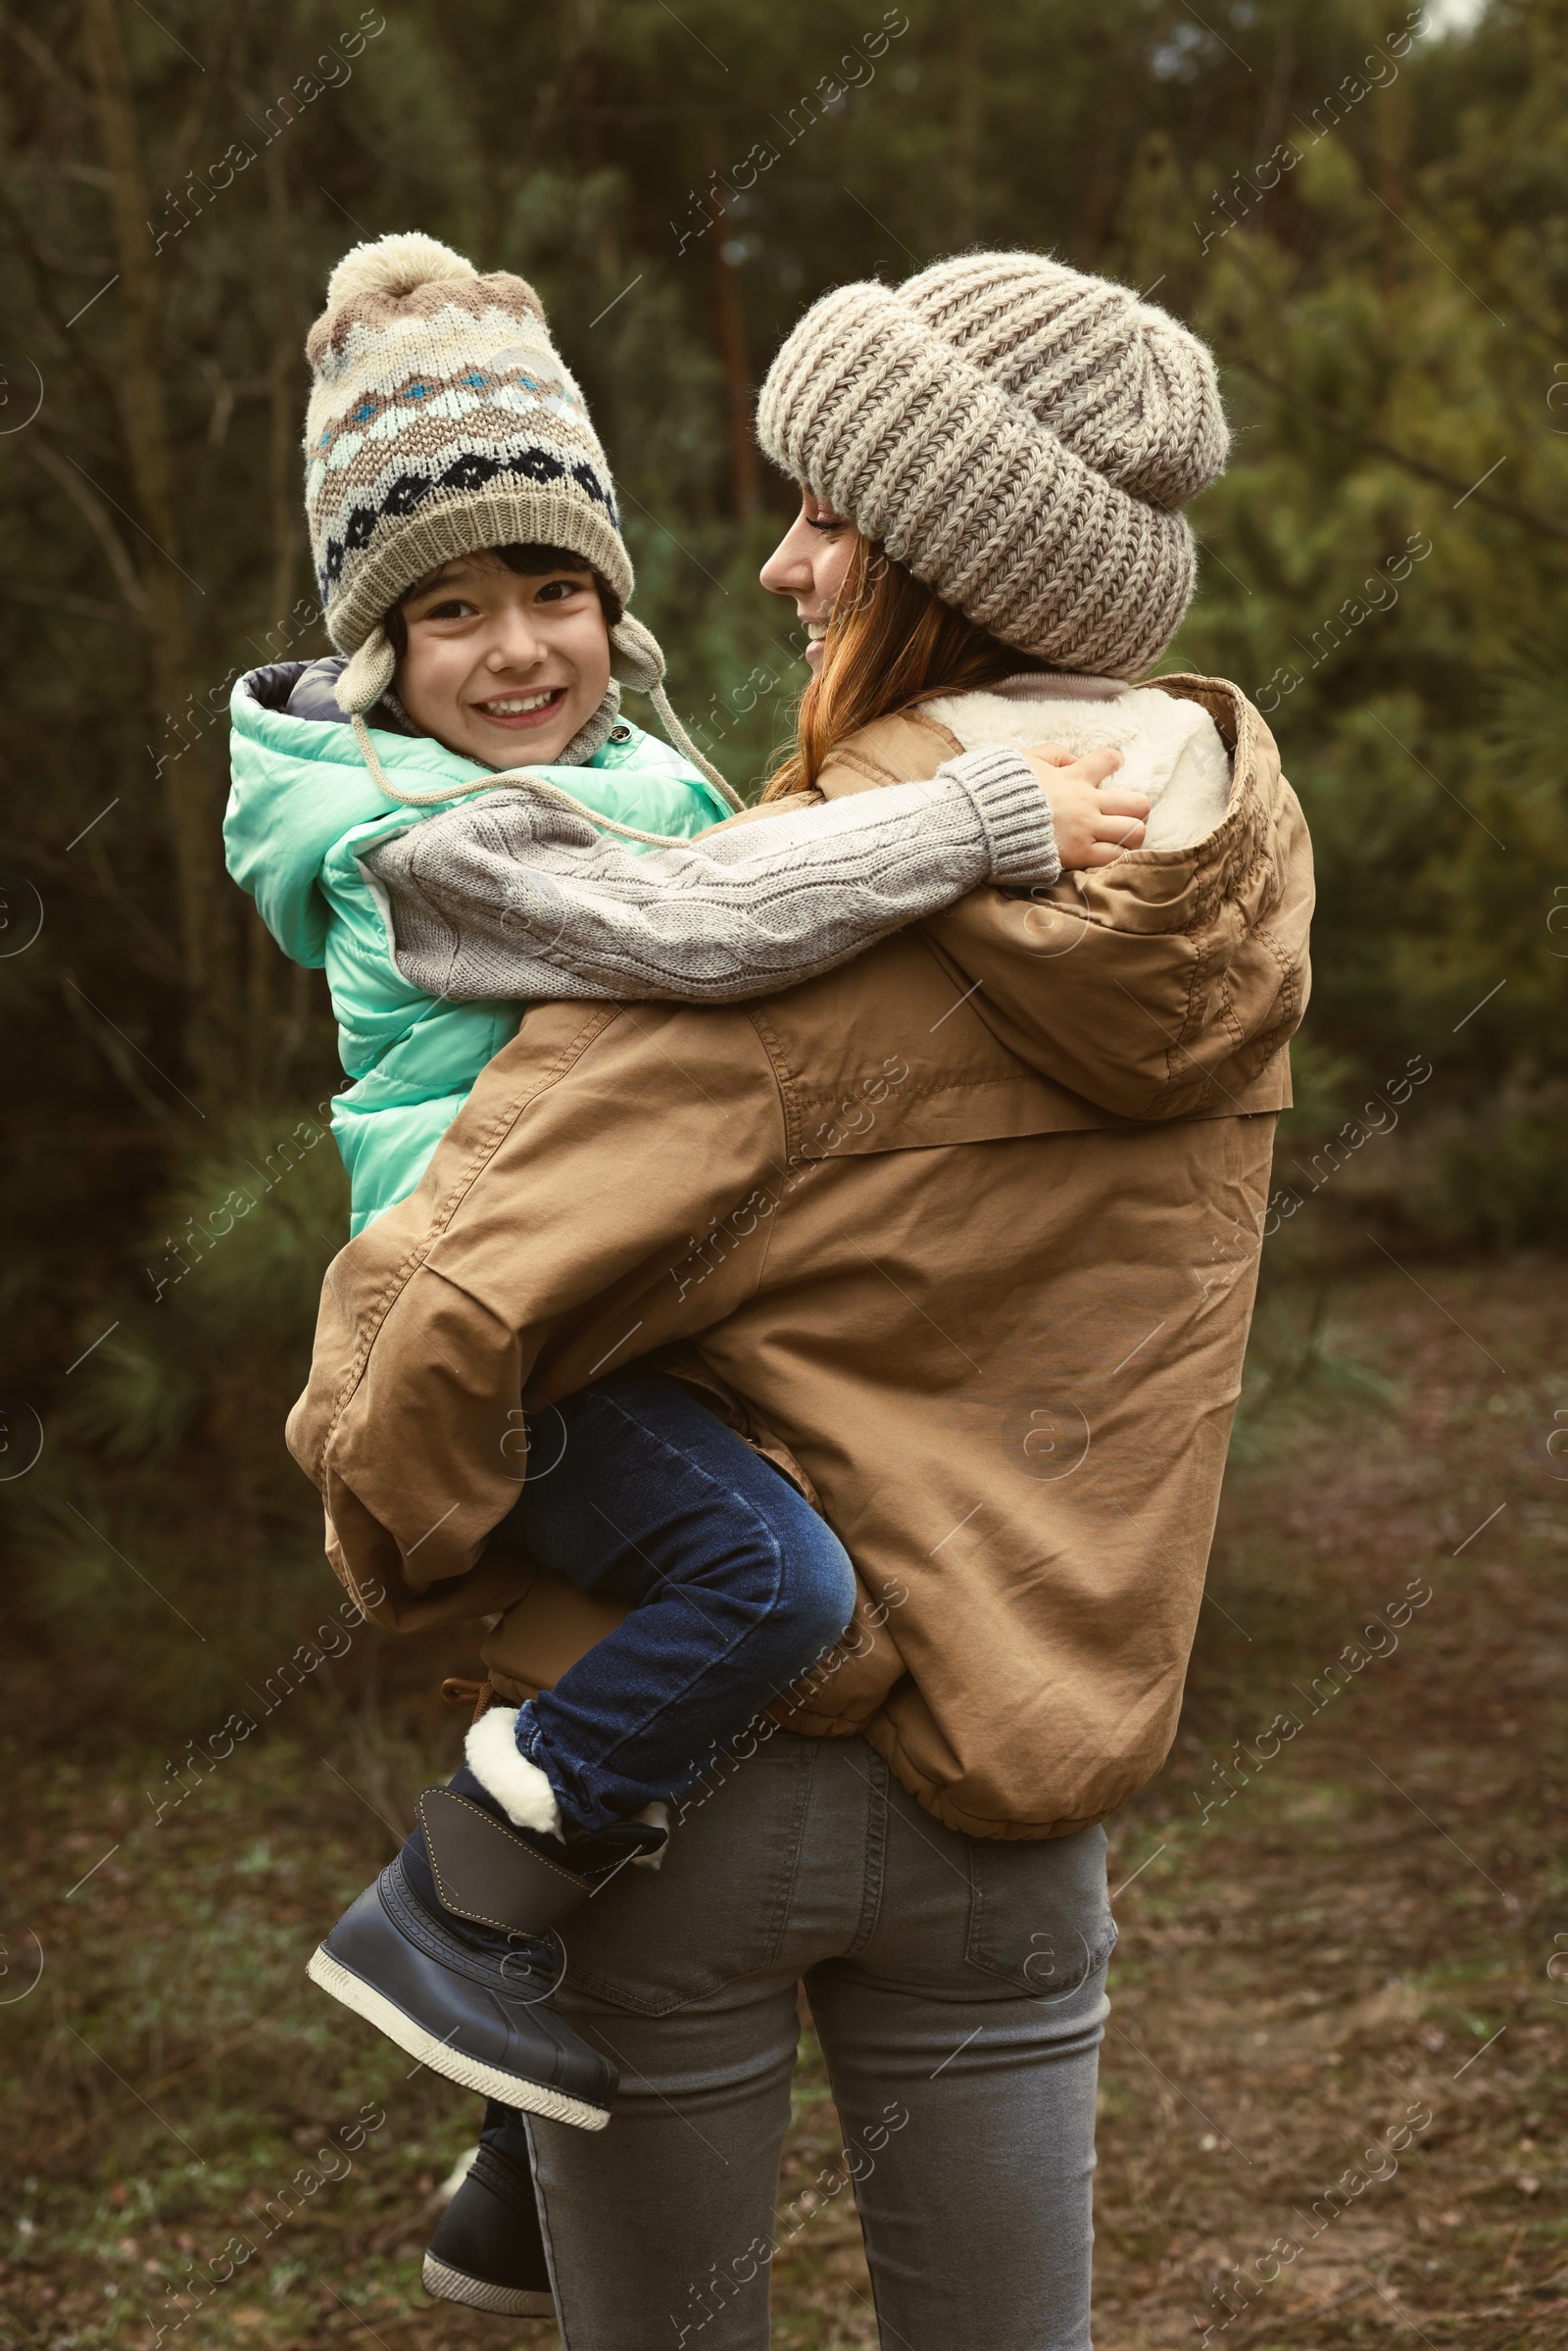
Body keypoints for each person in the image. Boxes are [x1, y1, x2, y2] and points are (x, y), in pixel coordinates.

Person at [289, 247, 1313, 2349]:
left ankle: (489, 2090)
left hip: (696, 1800)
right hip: (1028, 1770)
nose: (775, 568)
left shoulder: (806, 891)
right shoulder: (1226, 881)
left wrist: (406, 1540)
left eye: (826, 514)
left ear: (942, 563)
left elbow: (450, 1308)